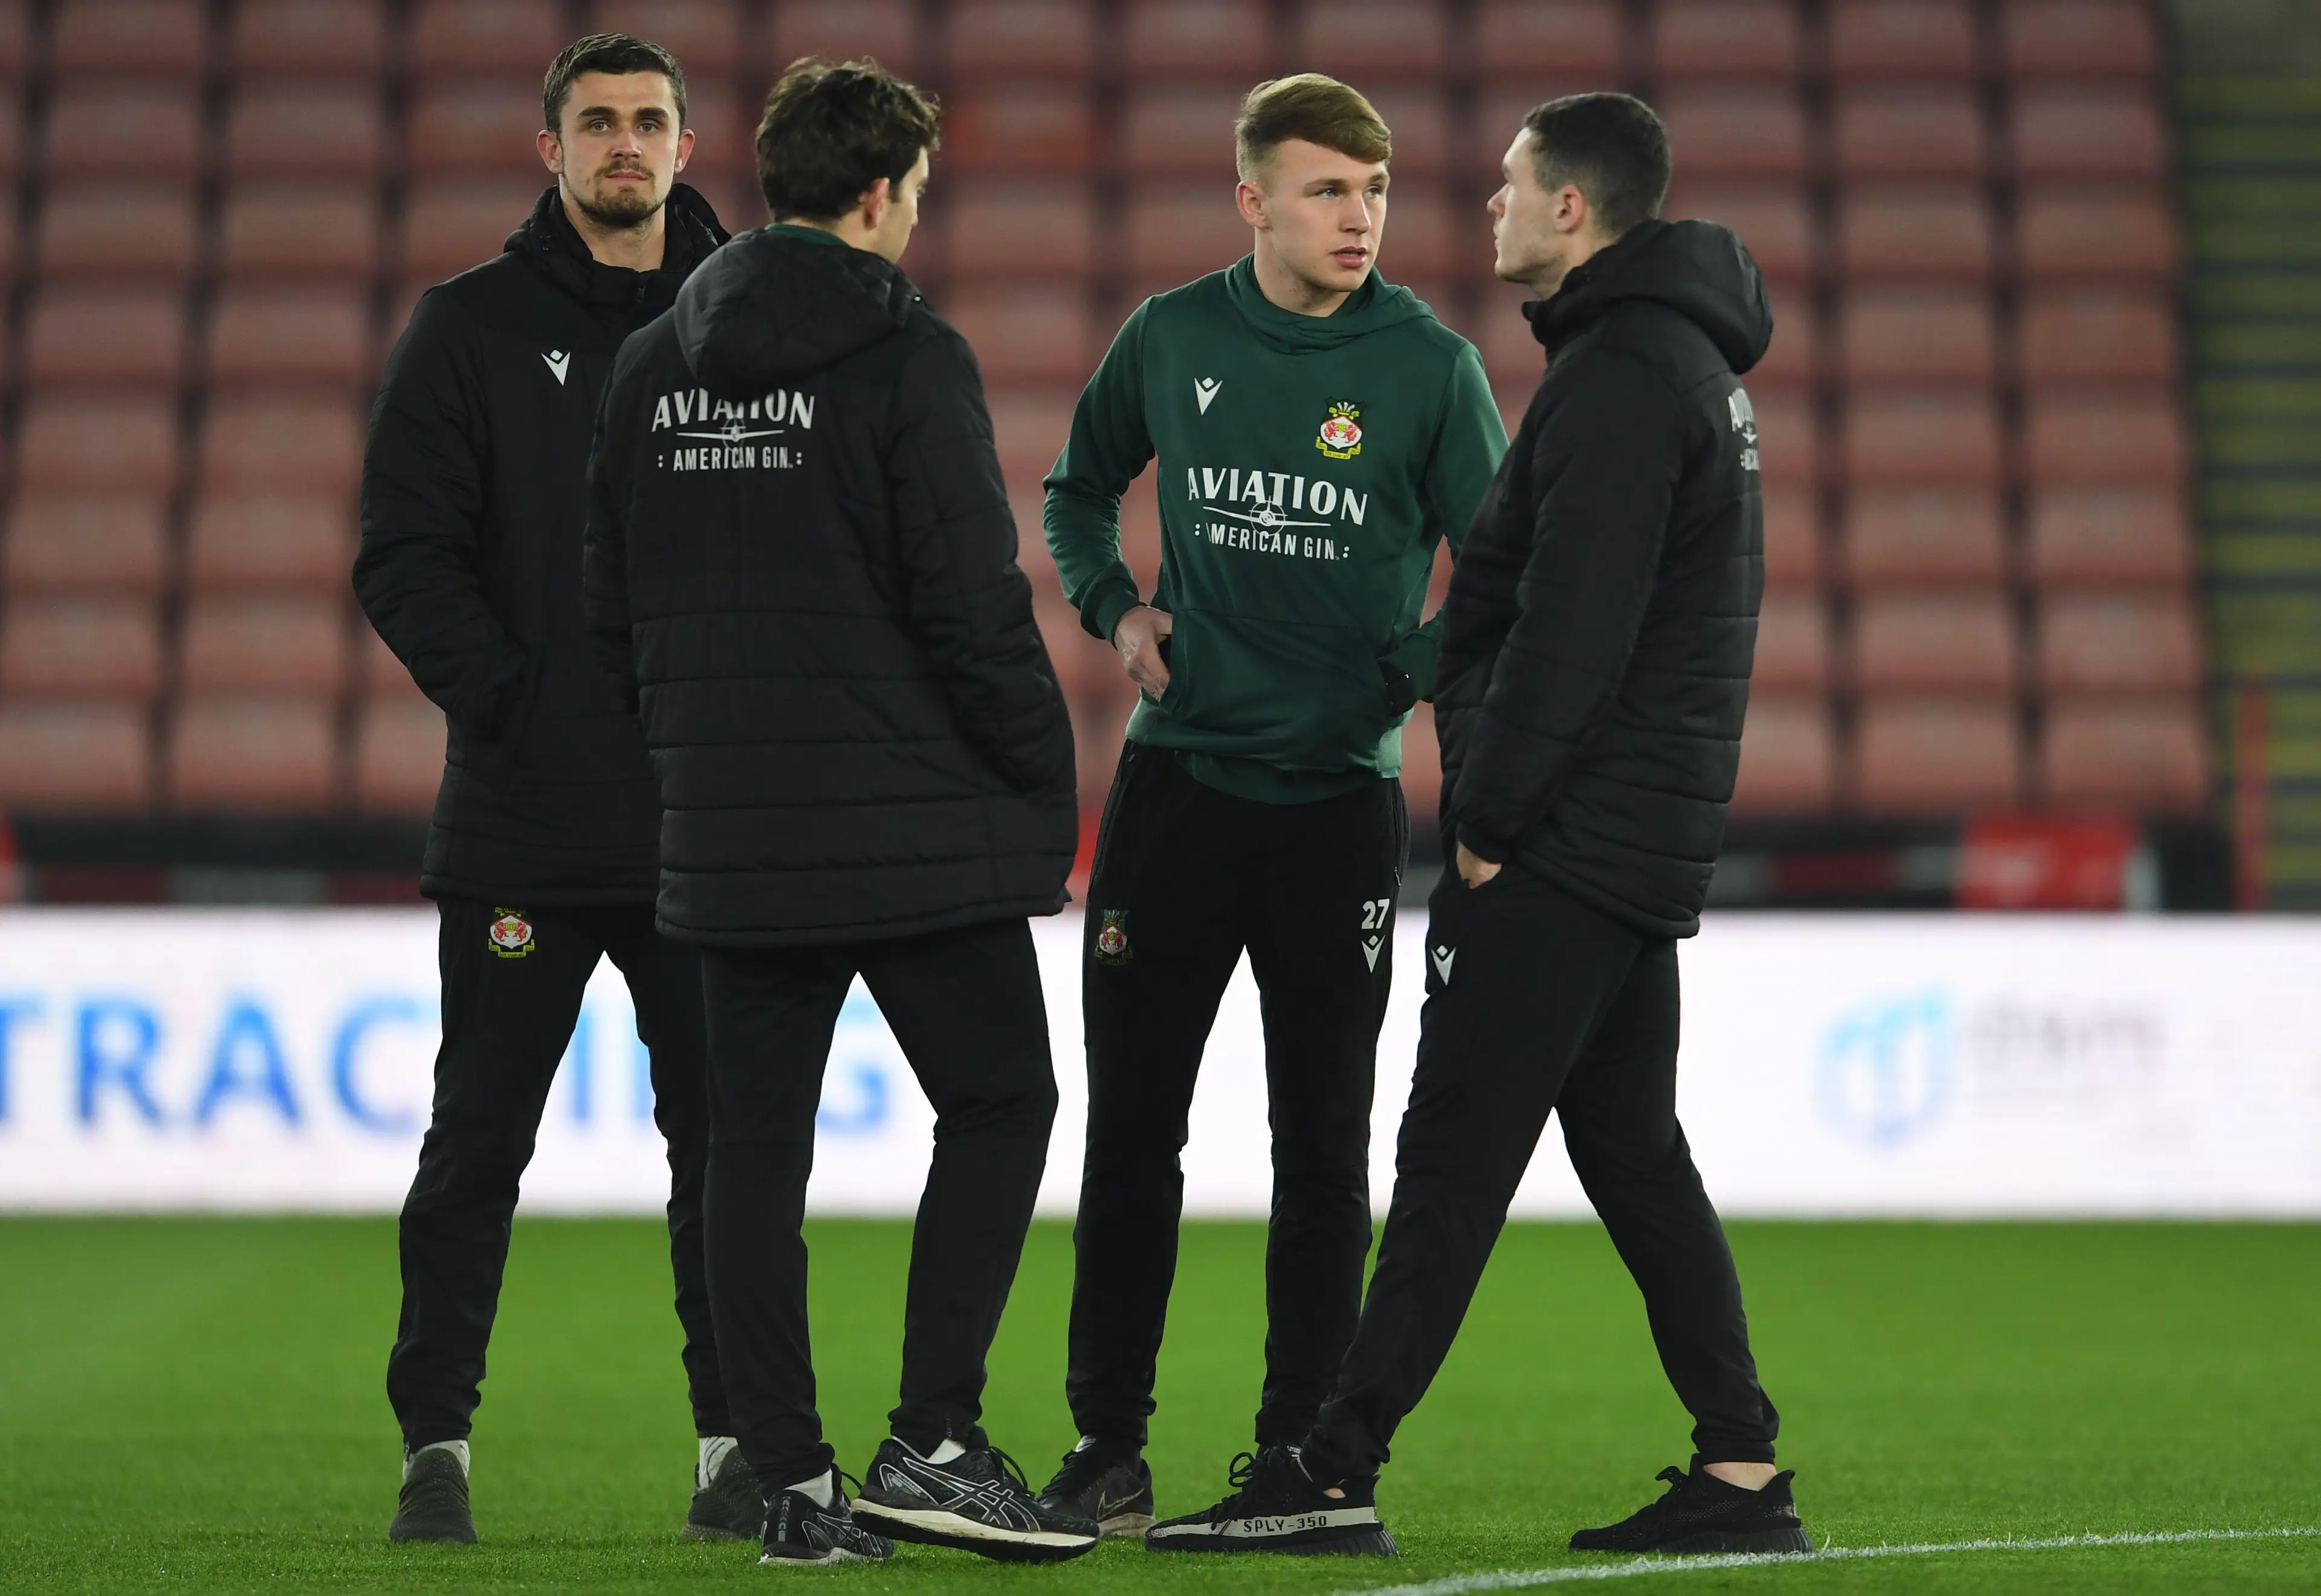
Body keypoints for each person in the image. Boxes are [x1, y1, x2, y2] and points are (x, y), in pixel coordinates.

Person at [1157, 91, 1813, 1559]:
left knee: (1452, 1158)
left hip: (1568, 840)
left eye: (1513, 186)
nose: (1492, 207)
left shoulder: (1626, 377)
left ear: (1573, 207)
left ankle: (1329, 1473)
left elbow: (1575, 627)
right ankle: (1744, 1472)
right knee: (1634, 1152)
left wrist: (1493, 820)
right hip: (1634, 834)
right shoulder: (1676, 363)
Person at [583, 57, 1094, 1568]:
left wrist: (693, 759)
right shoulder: (903, 355)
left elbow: (610, 610)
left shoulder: (652, 362)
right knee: (1003, 1101)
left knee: (752, 1154)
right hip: (914, 828)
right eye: (917, 194)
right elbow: (971, 602)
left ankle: (792, 1489)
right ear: (879, 195)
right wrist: (1041, 777)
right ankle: (932, 1439)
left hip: (728, 832)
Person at [1035, 74, 1506, 1546]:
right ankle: (1107, 1446)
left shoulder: (1427, 367)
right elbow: (1074, 488)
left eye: (1372, 191)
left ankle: (1297, 1459)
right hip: (1176, 794)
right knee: (1133, 1136)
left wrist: (1409, 676)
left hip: (1335, 814)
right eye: (1324, 191)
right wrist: (1115, 606)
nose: (1357, 216)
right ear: (1253, 203)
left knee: (1325, 1142)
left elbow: (1504, 568)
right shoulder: (1175, 335)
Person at [354, 35, 748, 1547]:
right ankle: (435, 1448)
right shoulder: (468, 328)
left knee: (723, 1155)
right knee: (477, 1147)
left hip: (707, 828)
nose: (627, 147)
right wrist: (521, 704)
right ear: (550, 149)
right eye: (598, 124)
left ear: (687, 140)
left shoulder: (751, 326)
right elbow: (402, 553)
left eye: (651, 123)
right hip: (522, 823)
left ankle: (736, 1448)